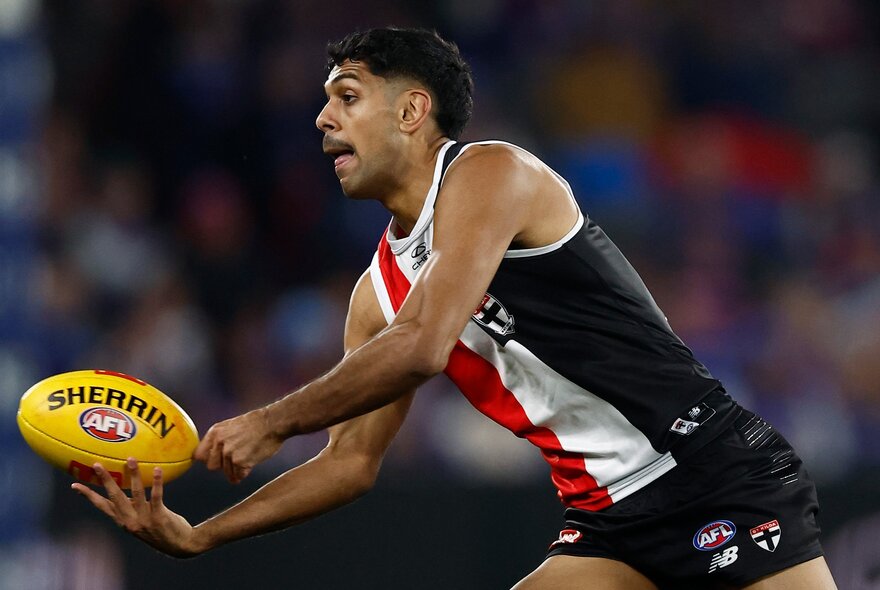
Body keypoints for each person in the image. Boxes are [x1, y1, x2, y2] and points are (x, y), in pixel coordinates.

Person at [73, 27, 838, 589]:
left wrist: (268, 420)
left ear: (412, 110)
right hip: (607, 524)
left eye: (346, 96)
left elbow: (426, 344)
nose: (321, 120)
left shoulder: (492, 174)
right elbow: (348, 463)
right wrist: (203, 536)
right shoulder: (373, 295)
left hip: (711, 471)